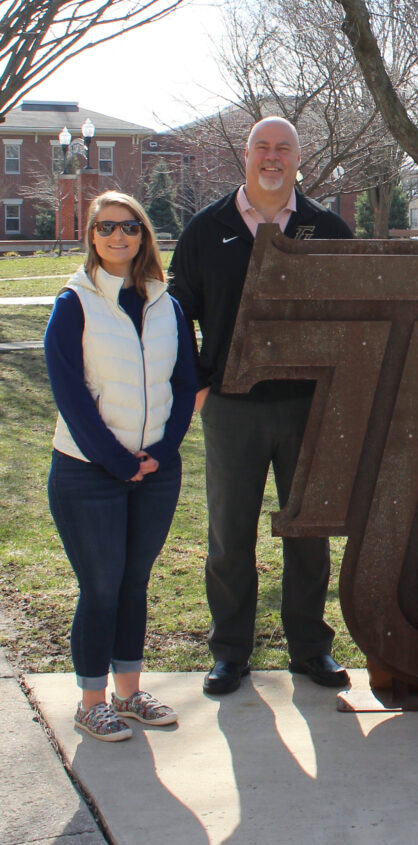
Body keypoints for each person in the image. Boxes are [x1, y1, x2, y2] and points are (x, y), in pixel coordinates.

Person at [169, 116, 355, 695]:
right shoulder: (207, 229)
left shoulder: (328, 229)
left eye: (284, 149)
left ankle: (310, 649)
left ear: (298, 159)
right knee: (230, 535)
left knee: (308, 532)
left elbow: (356, 316)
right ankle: (229, 652)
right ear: (247, 155)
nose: (272, 157)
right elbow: (178, 312)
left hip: (307, 407)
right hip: (231, 406)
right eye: (263, 147)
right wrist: (199, 384)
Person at [45, 191, 196, 741]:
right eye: (106, 227)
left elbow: (185, 382)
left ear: (143, 236)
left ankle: (128, 694)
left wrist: (164, 451)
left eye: (129, 227)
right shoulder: (75, 302)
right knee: (101, 585)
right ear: (91, 235)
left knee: (135, 583)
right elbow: (69, 392)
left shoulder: (165, 303)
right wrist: (114, 459)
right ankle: (91, 702)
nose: (118, 236)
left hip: (155, 471)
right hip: (88, 472)